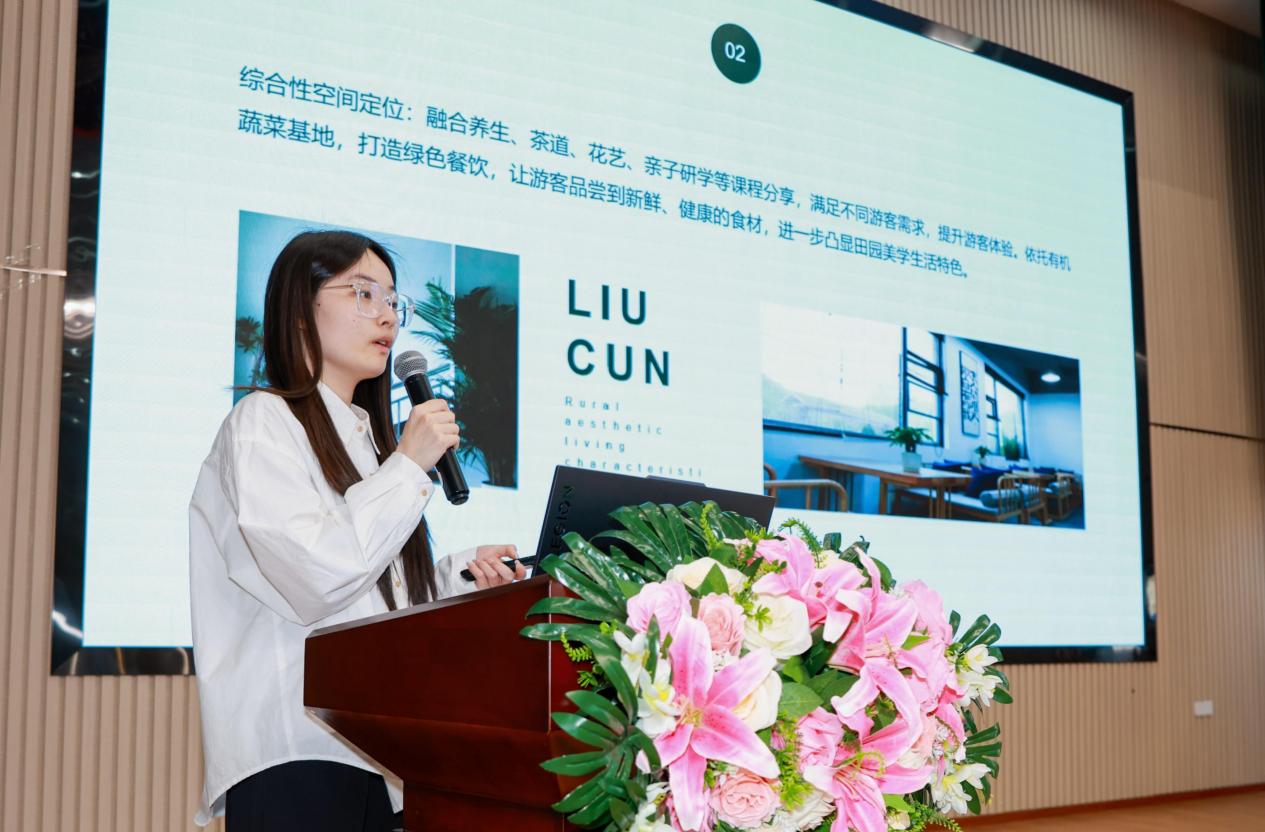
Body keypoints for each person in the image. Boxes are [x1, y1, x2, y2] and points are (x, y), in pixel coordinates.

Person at [188, 230, 526, 830]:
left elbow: (375, 600)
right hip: (296, 750)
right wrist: (408, 466)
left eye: (393, 300)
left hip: (378, 753)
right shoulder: (262, 421)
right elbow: (317, 574)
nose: (387, 316)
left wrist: (462, 579)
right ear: (300, 309)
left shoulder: (369, 443)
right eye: (363, 294)